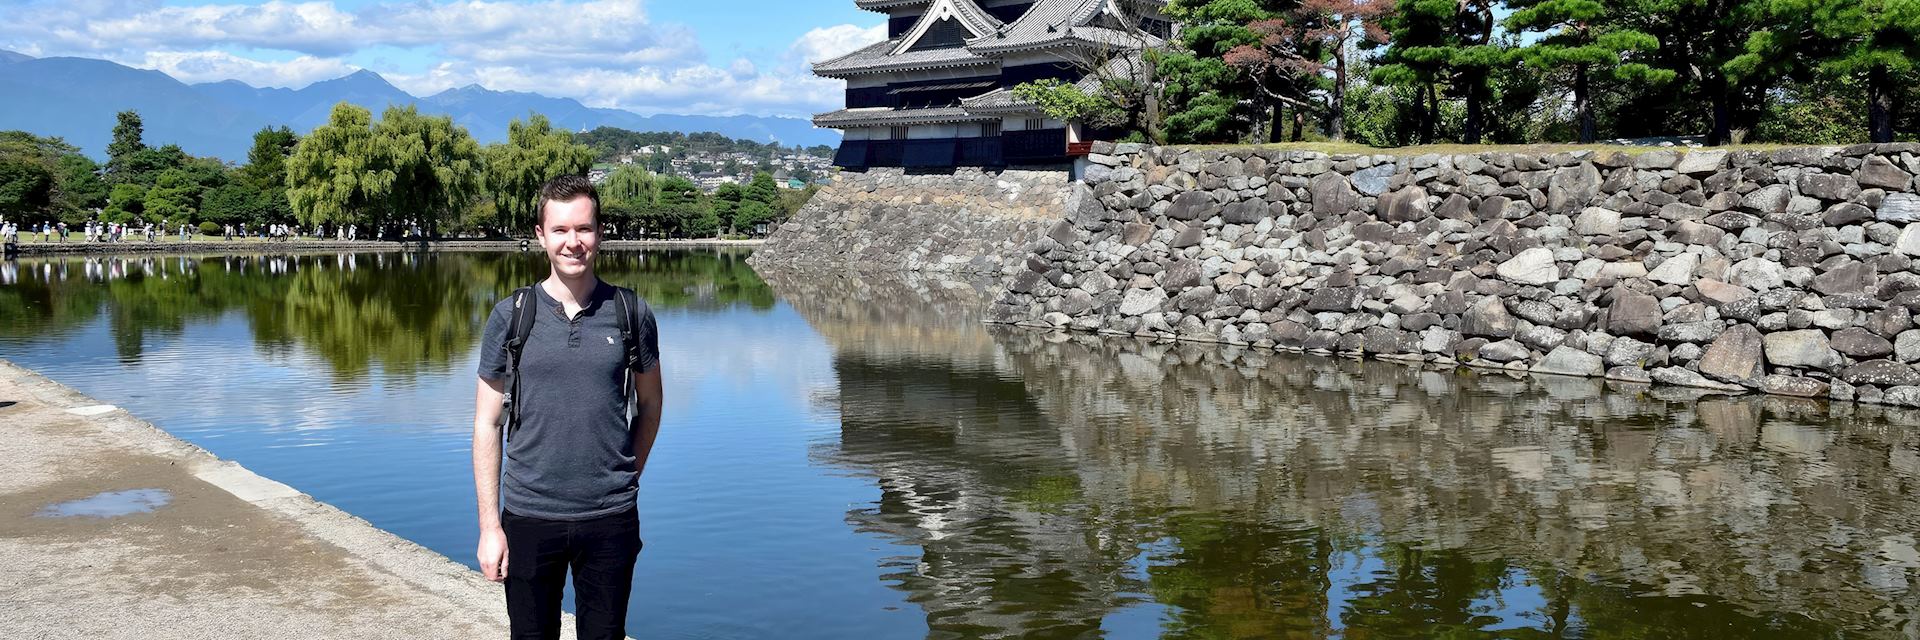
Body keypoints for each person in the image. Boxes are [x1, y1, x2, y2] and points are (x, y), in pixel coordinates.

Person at [473, 175, 663, 640]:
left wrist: (624, 476)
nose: (573, 243)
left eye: (584, 229)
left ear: (600, 233)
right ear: (541, 236)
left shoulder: (629, 312)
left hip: (610, 519)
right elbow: (486, 423)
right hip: (530, 516)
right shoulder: (512, 315)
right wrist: (490, 527)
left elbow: (651, 405)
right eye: (560, 230)